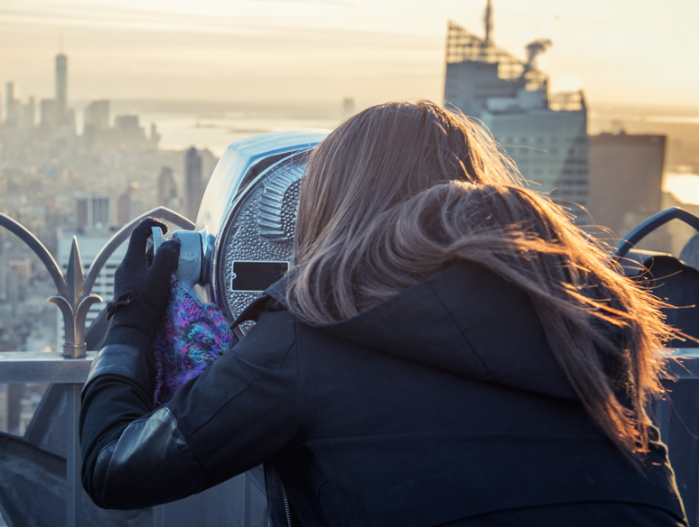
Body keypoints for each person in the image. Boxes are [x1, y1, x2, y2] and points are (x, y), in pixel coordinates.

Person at [79, 100, 687, 526]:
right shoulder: (581, 320)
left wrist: (131, 319)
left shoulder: (308, 342)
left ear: (334, 210)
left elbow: (116, 472)